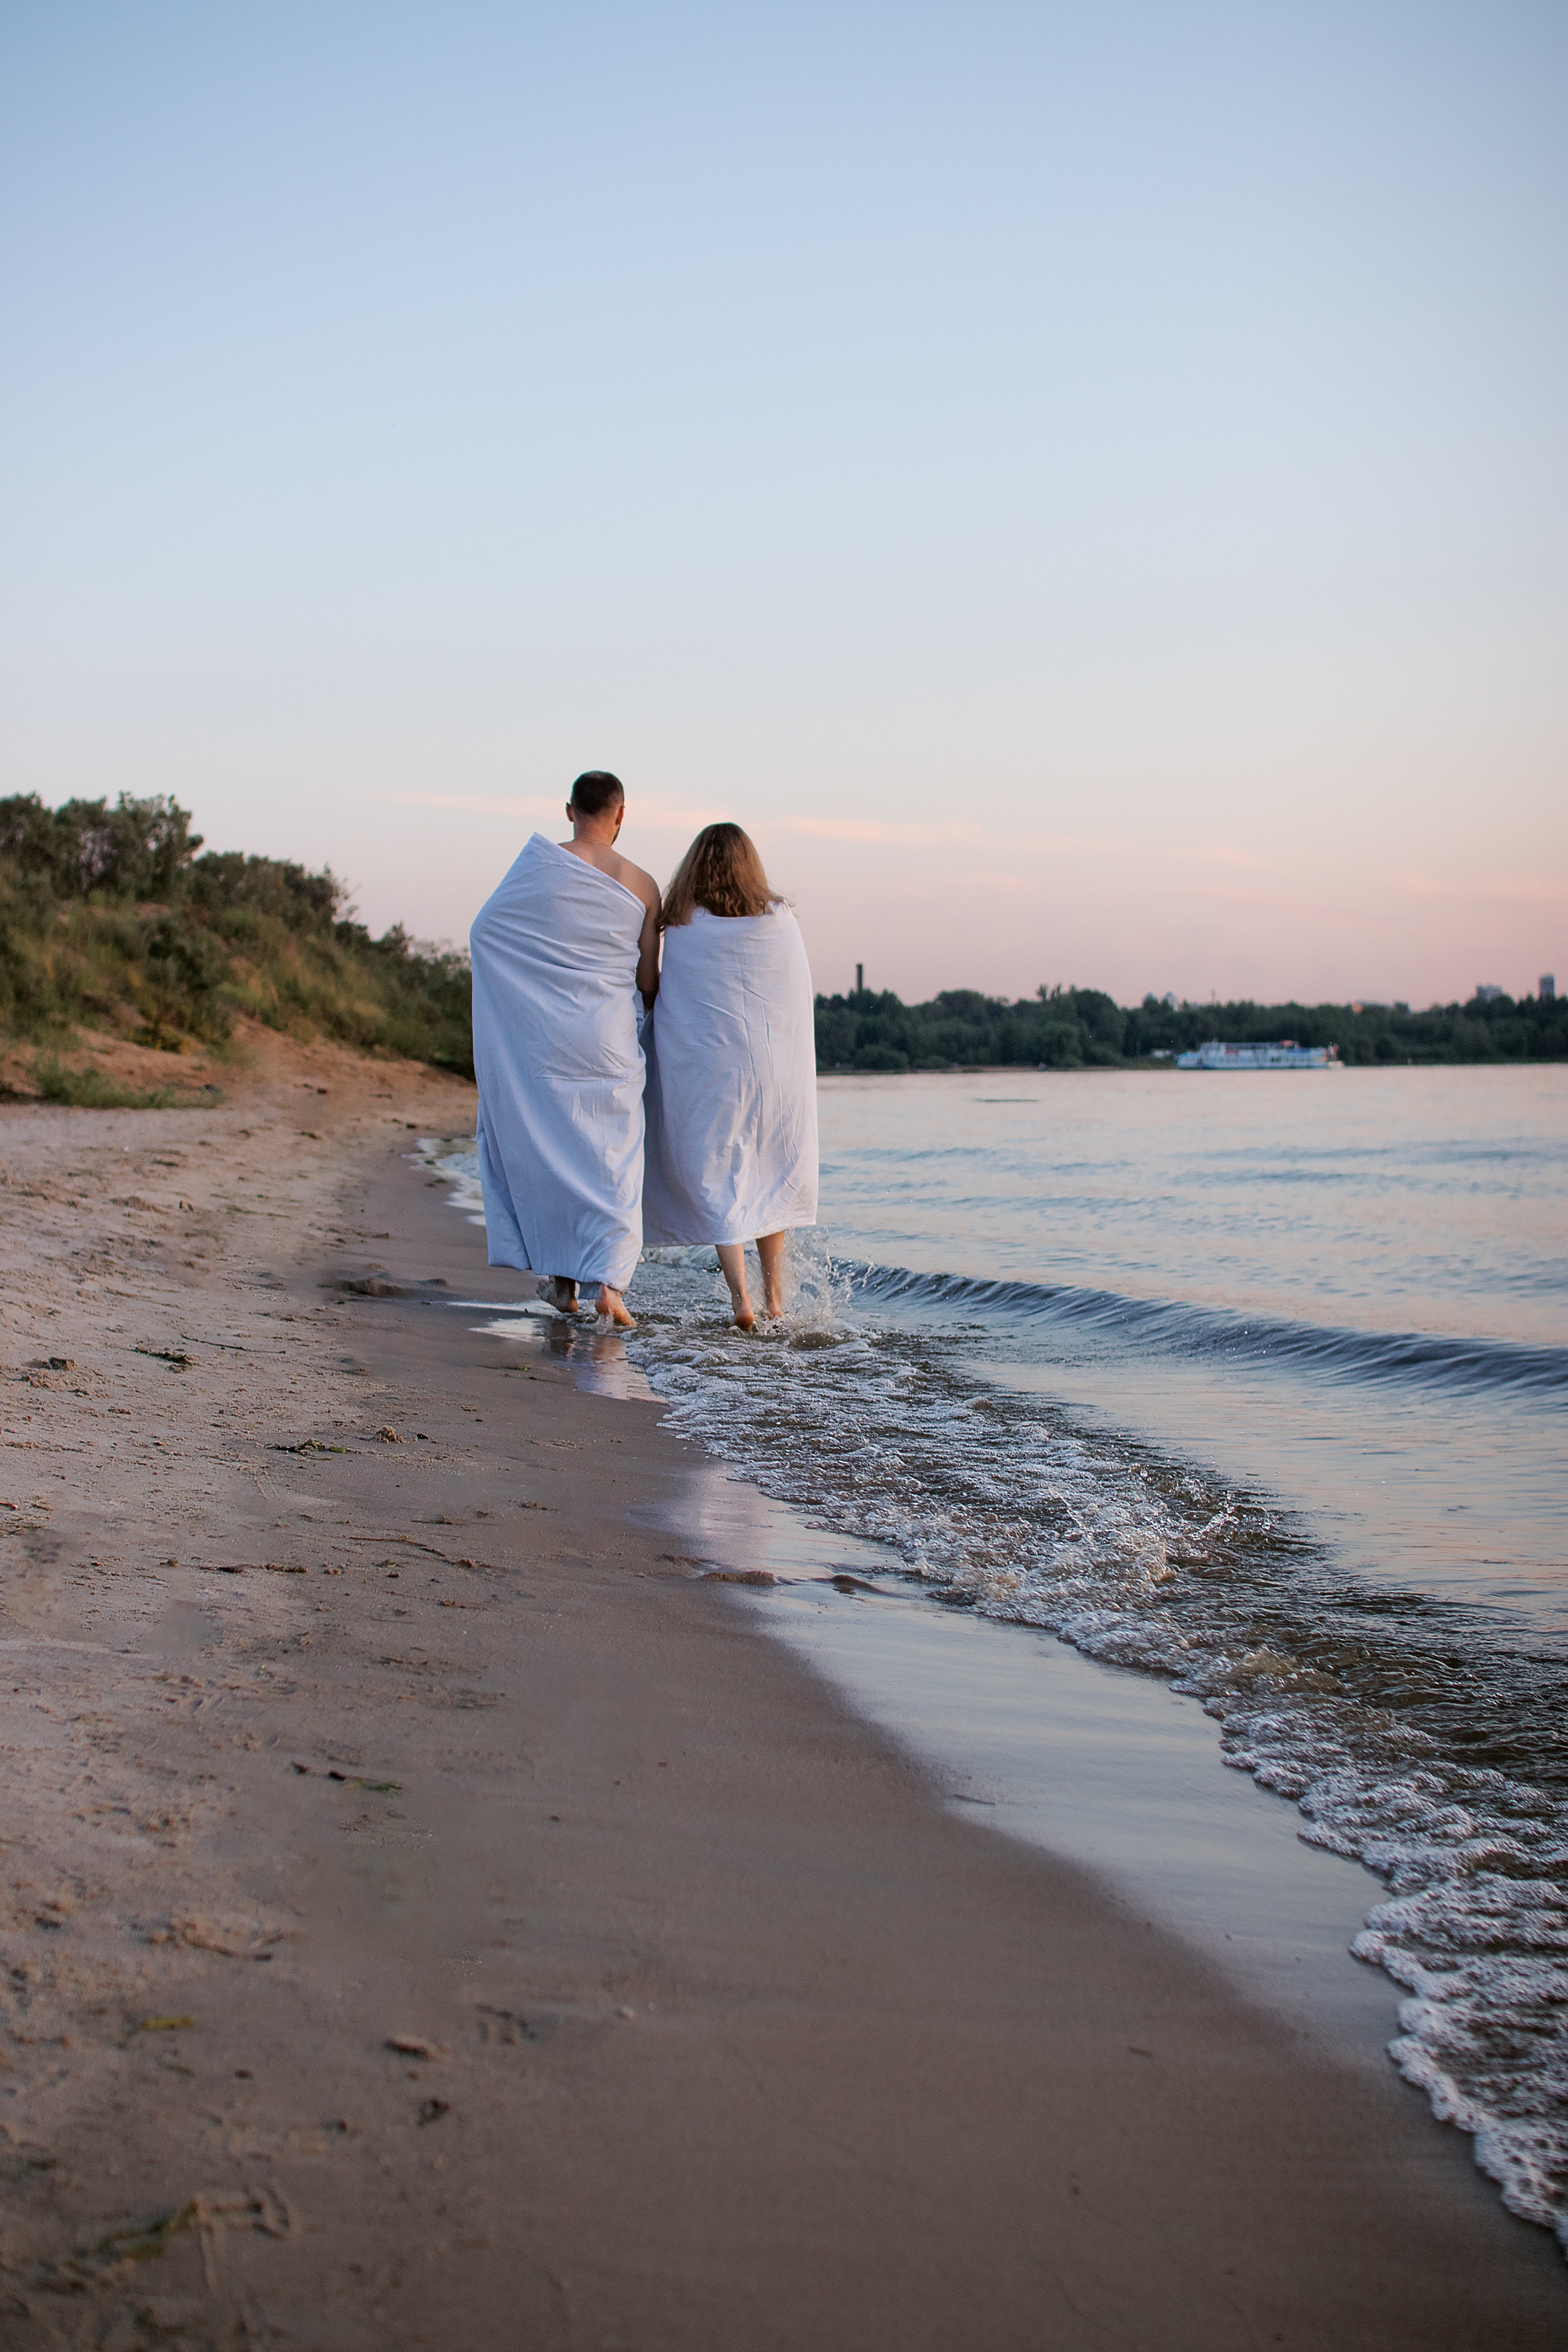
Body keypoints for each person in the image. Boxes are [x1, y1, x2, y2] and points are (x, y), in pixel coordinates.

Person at [469, 771, 661, 1328]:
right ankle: (612, 1284)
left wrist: (519, 1002)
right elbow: (648, 976)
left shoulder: (538, 865)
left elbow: (486, 931)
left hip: (547, 1038)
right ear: (621, 815)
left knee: (552, 1150)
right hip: (607, 1037)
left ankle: (561, 1283)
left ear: (570, 810)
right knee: (614, 1158)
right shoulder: (643, 883)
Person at [643, 823, 818, 1327]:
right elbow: (792, 997)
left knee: (722, 1173)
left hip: (712, 1069)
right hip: (773, 1070)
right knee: (773, 1170)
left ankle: (741, 1300)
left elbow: (665, 994)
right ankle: (777, 1301)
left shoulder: (681, 925)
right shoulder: (779, 919)